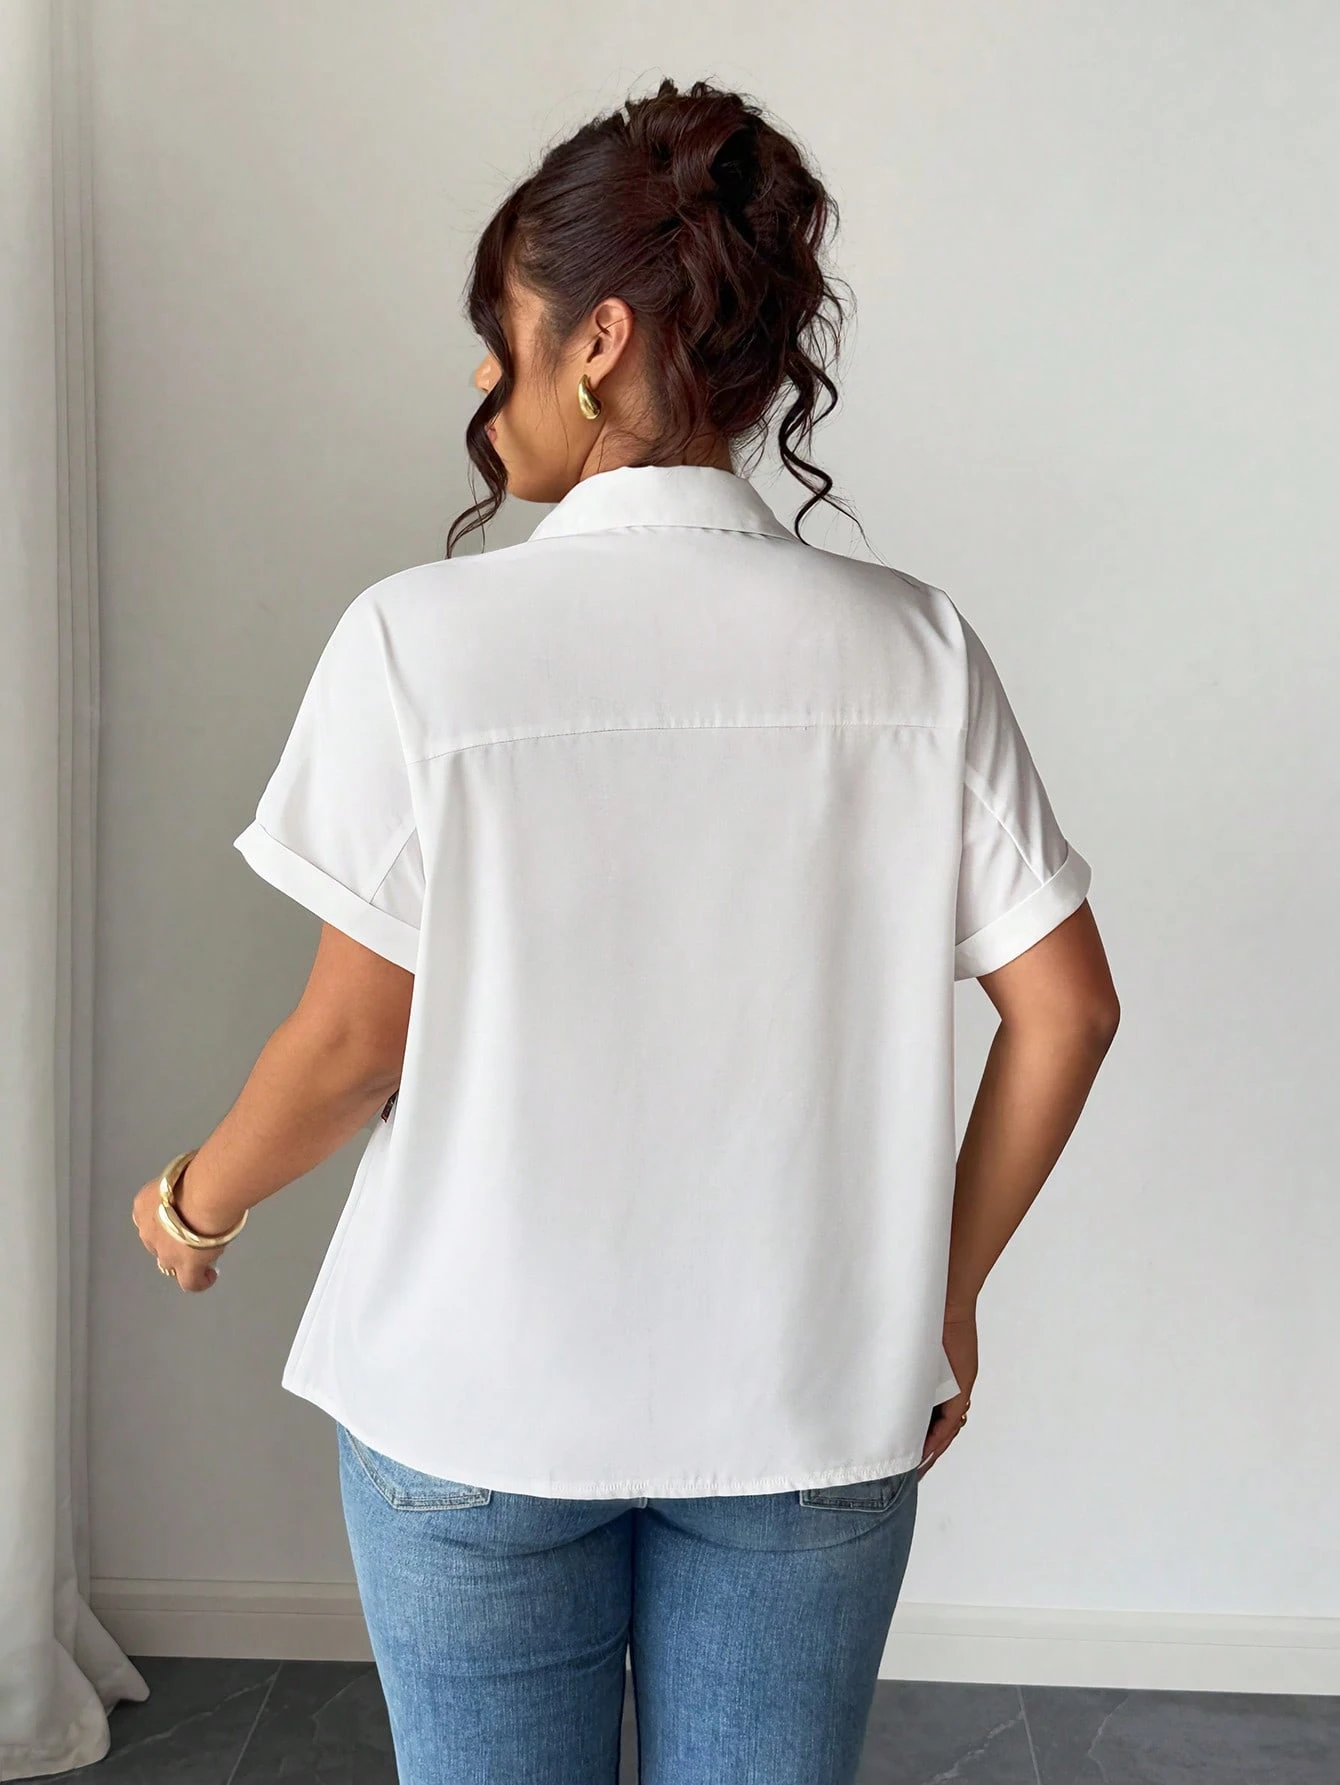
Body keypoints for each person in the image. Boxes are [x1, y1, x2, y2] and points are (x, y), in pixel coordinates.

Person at [130, 75, 1119, 1785]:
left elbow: (353, 1044)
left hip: (474, 1404)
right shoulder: (914, 649)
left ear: (595, 341)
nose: (482, 384)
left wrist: (192, 1201)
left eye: (497, 337)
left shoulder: (416, 643)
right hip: (811, 1402)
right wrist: (940, 1295)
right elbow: (1070, 1010)